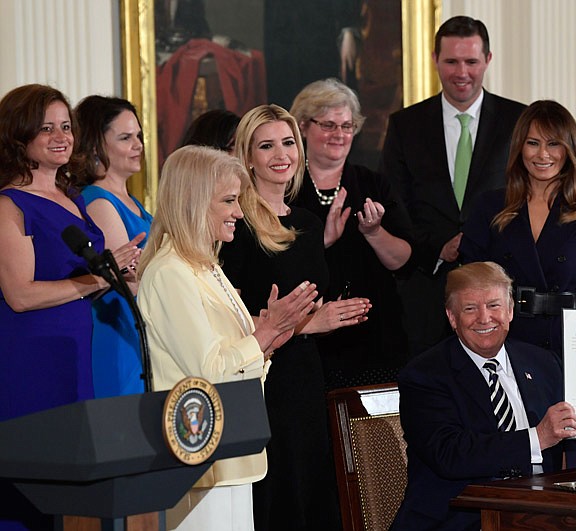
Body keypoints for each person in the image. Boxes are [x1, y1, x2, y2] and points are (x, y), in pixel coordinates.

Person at [137, 145, 318, 531]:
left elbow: (237, 363)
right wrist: (265, 332)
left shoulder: (206, 268)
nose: (239, 212)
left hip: (232, 448)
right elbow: (210, 371)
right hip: (199, 455)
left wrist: (270, 340)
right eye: (229, 201)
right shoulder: (171, 273)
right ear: (194, 201)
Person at [220, 103, 369, 530]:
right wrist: (307, 324)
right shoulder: (236, 225)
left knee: (311, 494)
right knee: (278, 497)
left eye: (288, 142)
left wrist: (328, 314)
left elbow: (304, 298)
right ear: (247, 157)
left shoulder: (306, 220)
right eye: (266, 146)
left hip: (307, 376)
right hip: (263, 380)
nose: (281, 154)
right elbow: (225, 315)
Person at [0, 84, 138, 531]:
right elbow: (20, 295)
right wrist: (97, 279)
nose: (61, 137)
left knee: (72, 495)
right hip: (32, 361)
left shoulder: (72, 197)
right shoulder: (9, 205)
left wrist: (121, 273)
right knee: (31, 491)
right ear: (18, 136)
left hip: (79, 352)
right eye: (46, 129)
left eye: (66, 127)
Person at [391, 261, 576, 531]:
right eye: (470, 308)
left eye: (494, 306)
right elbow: (450, 455)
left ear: (510, 311)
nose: (484, 318)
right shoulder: (424, 375)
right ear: (452, 317)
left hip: (541, 515)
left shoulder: (544, 363)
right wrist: (537, 437)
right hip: (458, 520)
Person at [379, 15, 526, 356]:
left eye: (471, 61)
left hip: (499, 296)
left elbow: (527, 198)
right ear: (435, 60)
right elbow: (395, 202)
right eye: (451, 62)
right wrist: (436, 251)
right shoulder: (405, 125)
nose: (462, 73)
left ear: (487, 60)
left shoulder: (518, 121)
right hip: (426, 297)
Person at [459, 100, 576, 355]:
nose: (543, 155)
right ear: (519, 148)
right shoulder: (489, 207)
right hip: (502, 347)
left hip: (569, 348)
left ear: (569, 150)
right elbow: (468, 288)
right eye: (533, 143)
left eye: (553, 143)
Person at [290, 78, 413, 389]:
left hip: (375, 339)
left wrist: (373, 233)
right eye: (329, 125)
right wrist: (323, 242)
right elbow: (272, 262)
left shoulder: (373, 183)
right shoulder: (286, 189)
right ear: (303, 126)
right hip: (306, 339)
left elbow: (404, 260)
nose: (339, 135)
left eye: (347, 126)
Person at [75, 95, 150, 397]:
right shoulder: (100, 201)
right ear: (95, 145)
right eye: (125, 137)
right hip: (122, 333)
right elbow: (131, 282)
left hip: (141, 331)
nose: (138, 145)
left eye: (139, 136)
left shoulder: (133, 202)